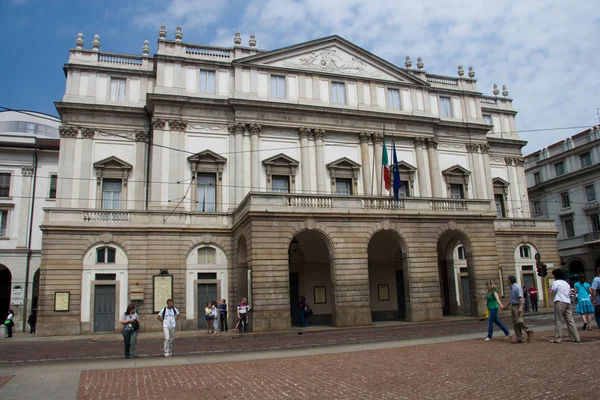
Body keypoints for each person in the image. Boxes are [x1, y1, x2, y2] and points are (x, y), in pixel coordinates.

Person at [549, 269, 580, 343]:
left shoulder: (555, 282)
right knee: (570, 320)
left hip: (559, 301)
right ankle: (575, 337)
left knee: (558, 320)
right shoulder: (566, 283)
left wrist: (550, 291)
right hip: (567, 302)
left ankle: (558, 338)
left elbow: (553, 292)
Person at [501, 276, 534, 343]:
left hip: (518, 305)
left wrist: (521, 307)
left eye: (507, 279)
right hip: (513, 305)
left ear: (510, 280)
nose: (506, 281)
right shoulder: (511, 288)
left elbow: (520, 297)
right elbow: (511, 299)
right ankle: (519, 337)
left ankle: (528, 331)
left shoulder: (517, 287)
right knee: (515, 323)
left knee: (518, 321)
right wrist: (506, 306)